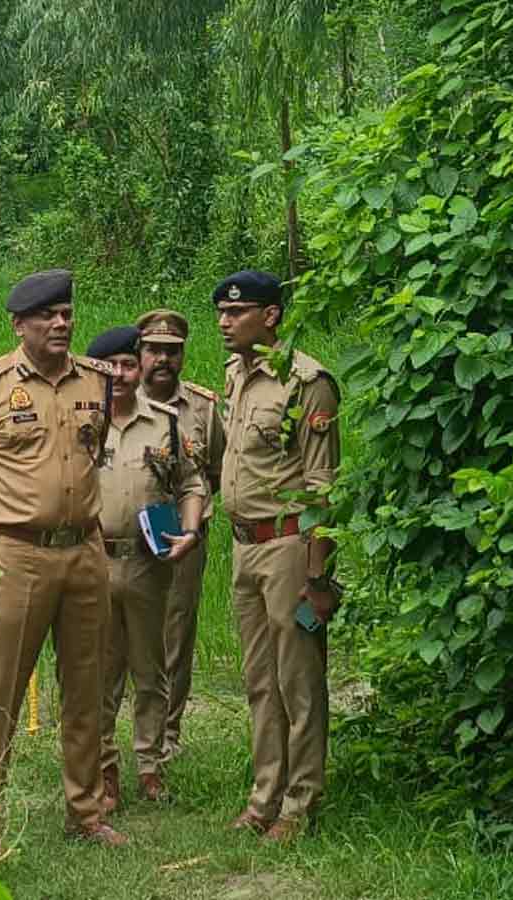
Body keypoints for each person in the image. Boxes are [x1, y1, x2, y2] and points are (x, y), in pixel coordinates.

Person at [0, 269, 127, 847]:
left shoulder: (97, 380)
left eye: (67, 313)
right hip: (17, 556)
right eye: (47, 315)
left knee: (86, 687)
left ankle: (85, 812)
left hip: (84, 555)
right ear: (20, 325)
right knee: (3, 691)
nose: (61, 323)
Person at [215, 269, 341, 842]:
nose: (224, 322)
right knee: (259, 681)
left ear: (270, 316)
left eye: (237, 312)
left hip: (289, 545)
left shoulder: (305, 381)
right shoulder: (236, 375)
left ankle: (301, 803)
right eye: (220, 312)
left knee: (299, 681)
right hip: (244, 547)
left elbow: (322, 487)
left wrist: (317, 573)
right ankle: (264, 795)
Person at [87, 325, 204, 809]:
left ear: (138, 369)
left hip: (145, 562)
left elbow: (193, 483)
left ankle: (151, 765)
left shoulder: (165, 423)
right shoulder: (81, 423)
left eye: (127, 364)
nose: (119, 374)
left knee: (150, 668)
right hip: (92, 561)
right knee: (96, 671)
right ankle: (103, 766)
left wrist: (191, 531)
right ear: (96, 372)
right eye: (109, 366)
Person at [135, 309, 225, 759]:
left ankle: (168, 731)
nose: (163, 360)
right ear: (140, 353)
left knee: (177, 632)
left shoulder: (204, 409)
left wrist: (191, 522)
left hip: (185, 541)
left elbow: (214, 473)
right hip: (128, 540)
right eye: (154, 350)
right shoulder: (117, 401)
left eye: (172, 352)